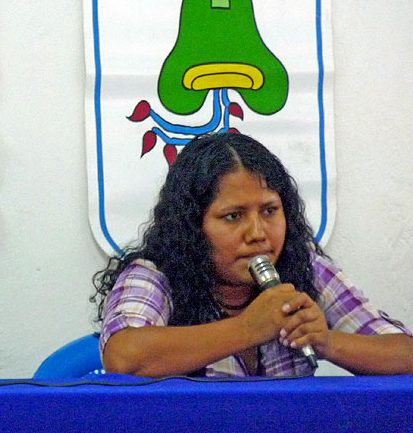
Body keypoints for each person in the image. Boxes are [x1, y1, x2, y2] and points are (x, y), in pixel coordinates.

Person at [92, 132, 413, 377]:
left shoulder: (303, 265)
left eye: (270, 211)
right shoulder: (155, 273)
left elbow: (405, 354)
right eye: (233, 216)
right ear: (193, 226)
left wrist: (326, 341)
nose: (258, 233)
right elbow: (124, 357)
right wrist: (249, 328)